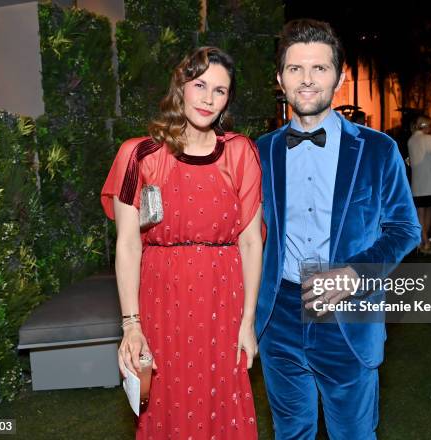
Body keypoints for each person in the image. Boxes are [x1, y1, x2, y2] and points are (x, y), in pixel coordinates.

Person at [255, 19, 420, 439]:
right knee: (291, 433)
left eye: (320, 68)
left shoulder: (378, 148)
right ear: (280, 78)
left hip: (348, 315)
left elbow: (404, 229)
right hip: (280, 315)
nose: (307, 80)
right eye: (295, 69)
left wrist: (354, 273)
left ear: (340, 77)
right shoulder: (261, 152)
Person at [101, 47, 263, 439]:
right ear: (181, 87)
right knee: (166, 404)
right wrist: (131, 325)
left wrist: (248, 323)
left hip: (223, 304)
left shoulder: (241, 152)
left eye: (220, 91)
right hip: (161, 302)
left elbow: (250, 244)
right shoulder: (139, 154)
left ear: (228, 100)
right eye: (200, 85)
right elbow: (127, 245)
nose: (209, 98)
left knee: (221, 402)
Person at [408, 115, 431, 254]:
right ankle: (426, 242)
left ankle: (424, 241)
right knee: (428, 212)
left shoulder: (411, 140)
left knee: (420, 213)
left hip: (418, 183)